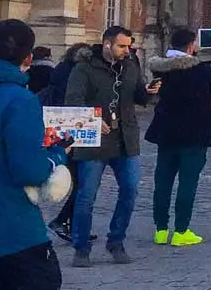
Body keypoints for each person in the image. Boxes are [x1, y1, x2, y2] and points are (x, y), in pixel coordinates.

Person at [0, 19, 73, 290]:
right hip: (10, 233)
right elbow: (29, 171)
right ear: (28, 58)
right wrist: (58, 154)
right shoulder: (19, 100)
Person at [66, 25, 156, 267]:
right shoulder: (83, 68)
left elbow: (139, 97)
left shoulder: (130, 65)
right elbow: (73, 101)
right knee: (86, 196)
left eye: (129, 46)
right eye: (122, 46)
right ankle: (81, 247)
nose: (127, 51)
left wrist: (148, 92)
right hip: (94, 140)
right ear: (107, 44)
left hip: (126, 138)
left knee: (130, 190)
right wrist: (93, 120)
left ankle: (116, 241)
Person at [145, 27, 211, 247]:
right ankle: (180, 231)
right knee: (187, 182)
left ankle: (160, 230)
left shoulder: (161, 69)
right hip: (194, 134)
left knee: (163, 182)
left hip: (166, 132)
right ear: (190, 47)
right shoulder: (198, 72)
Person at [45, 43, 92, 243]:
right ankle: (63, 221)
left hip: (59, 129)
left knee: (80, 182)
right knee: (83, 184)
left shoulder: (60, 69)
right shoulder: (76, 74)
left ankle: (72, 226)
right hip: (73, 129)